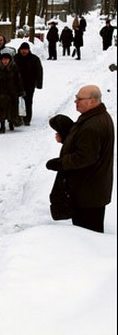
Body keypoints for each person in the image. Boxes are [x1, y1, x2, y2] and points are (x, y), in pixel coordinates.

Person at [46, 85, 114, 233]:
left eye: (79, 99)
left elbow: (85, 157)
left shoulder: (93, 125)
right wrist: (68, 140)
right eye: (76, 98)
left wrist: (59, 163)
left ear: (93, 101)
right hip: (91, 191)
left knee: (88, 237)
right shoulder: (95, 118)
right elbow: (89, 147)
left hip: (88, 194)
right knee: (88, 235)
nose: (75, 102)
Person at [0, 48, 25, 133]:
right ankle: (2, 126)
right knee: (1, 110)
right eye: (3, 59)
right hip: (1, 93)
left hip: (12, 92)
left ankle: (11, 123)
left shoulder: (14, 68)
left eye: (6, 59)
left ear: (10, 60)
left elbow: (19, 80)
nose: (5, 61)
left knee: (12, 109)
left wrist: (20, 91)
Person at [14, 42, 43, 126]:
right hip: (17, 84)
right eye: (22, 49)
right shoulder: (15, 58)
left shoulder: (34, 59)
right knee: (16, 101)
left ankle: (27, 119)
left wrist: (39, 83)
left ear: (28, 50)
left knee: (28, 101)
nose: (24, 51)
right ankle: (17, 118)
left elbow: (39, 71)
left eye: (25, 50)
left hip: (29, 84)